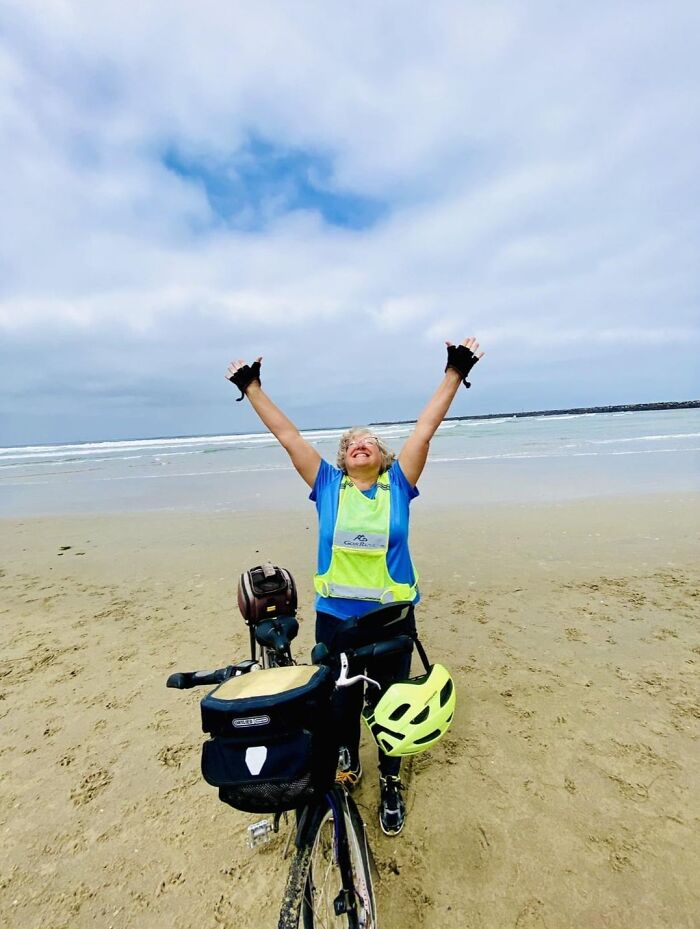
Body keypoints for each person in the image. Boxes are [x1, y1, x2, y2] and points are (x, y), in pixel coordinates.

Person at [226, 338, 484, 834]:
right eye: (347, 445)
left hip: (391, 621)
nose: (355, 444)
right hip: (336, 622)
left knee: (392, 705)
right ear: (341, 460)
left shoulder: (399, 483)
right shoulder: (327, 486)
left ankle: (391, 780)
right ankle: (347, 759)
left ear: (383, 455)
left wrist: (454, 371)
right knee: (339, 708)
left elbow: (425, 430)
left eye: (366, 440)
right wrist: (252, 387)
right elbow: (288, 436)